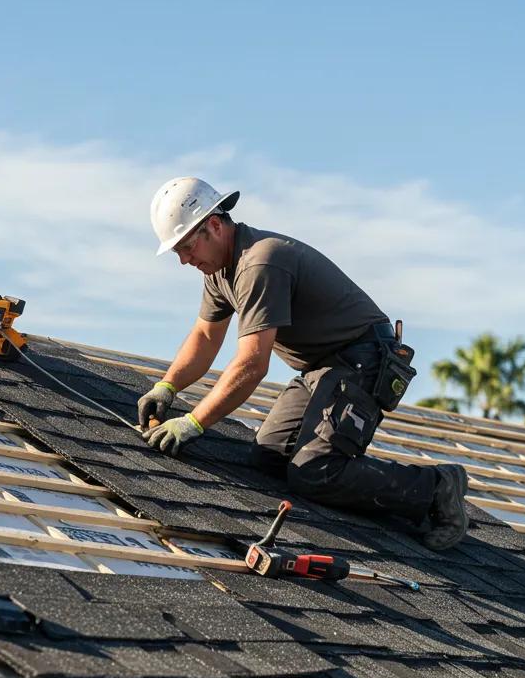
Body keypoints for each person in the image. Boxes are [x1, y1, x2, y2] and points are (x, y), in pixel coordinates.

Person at [137, 177, 468, 551]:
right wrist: (167, 386)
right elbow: (205, 337)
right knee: (269, 459)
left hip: (363, 362)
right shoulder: (218, 272)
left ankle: (438, 488)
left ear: (213, 225)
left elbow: (251, 365)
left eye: (186, 246)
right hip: (322, 369)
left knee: (315, 471)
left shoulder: (260, 262)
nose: (184, 260)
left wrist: (193, 422)